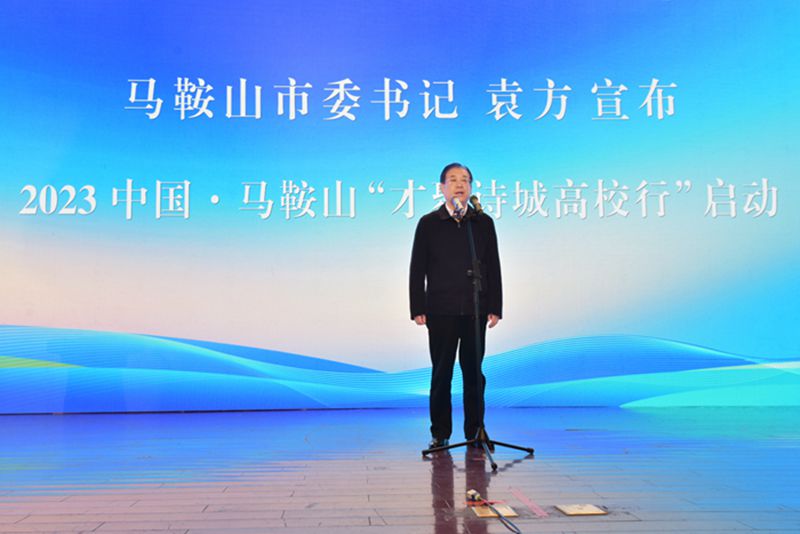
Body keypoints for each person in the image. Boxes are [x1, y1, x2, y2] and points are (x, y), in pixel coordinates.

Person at [409, 163, 502, 449]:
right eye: (452, 180)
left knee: (474, 374)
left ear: (471, 187)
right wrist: (417, 306)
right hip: (440, 309)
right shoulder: (429, 223)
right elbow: (417, 268)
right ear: (442, 188)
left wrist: (495, 305)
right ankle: (440, 433)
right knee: (442, 373)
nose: (459, 184)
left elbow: (493, 266)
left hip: (475, 309)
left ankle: (475, 431)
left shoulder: (482, 223)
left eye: (465, 180)